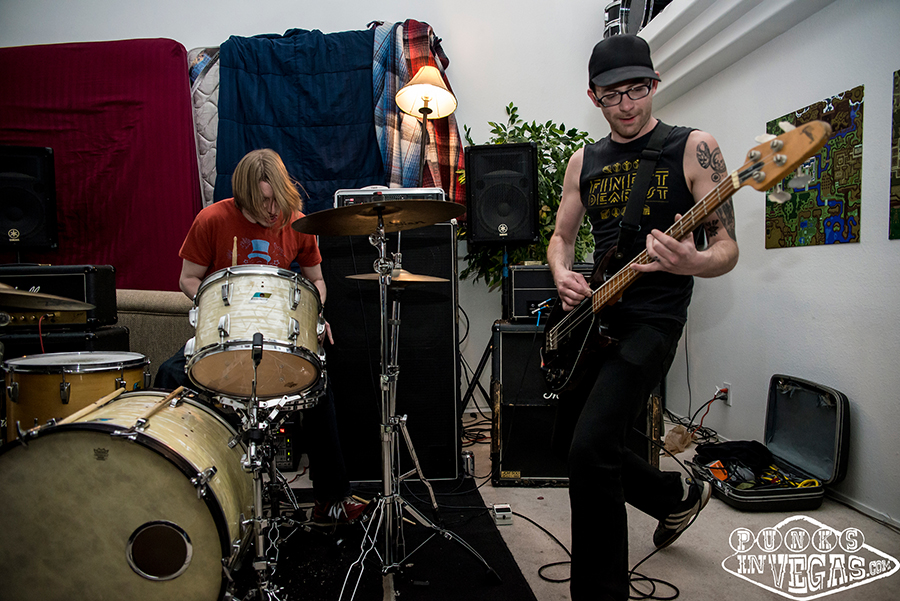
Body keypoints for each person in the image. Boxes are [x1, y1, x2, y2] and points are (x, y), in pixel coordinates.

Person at [547, 35, 739, 600]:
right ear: (594, 97)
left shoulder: (693, 148)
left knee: (590, 450)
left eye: (637, 90)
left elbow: (727, 248)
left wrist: (692, 260)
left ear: (654, 84)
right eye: (612, 95)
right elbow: (561, 237)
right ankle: (673, 498)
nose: (627, 105)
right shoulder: (583, 161)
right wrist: (560, 272)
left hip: (654, 321)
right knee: (567, 442)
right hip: (595, 319)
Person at [155, 148, 365, 524]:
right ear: (242, 197)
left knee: (318, 385)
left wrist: (314, 315)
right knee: (169, 376)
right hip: (226, 335)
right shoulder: (211, 219)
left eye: (276, 200)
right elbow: (188, 278)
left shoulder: (296, 222)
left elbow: (317, 280)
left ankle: (331, 498)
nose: (271, 210)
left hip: (277, 336)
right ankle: (176, 493)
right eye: (262, 202)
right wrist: (214, 308)